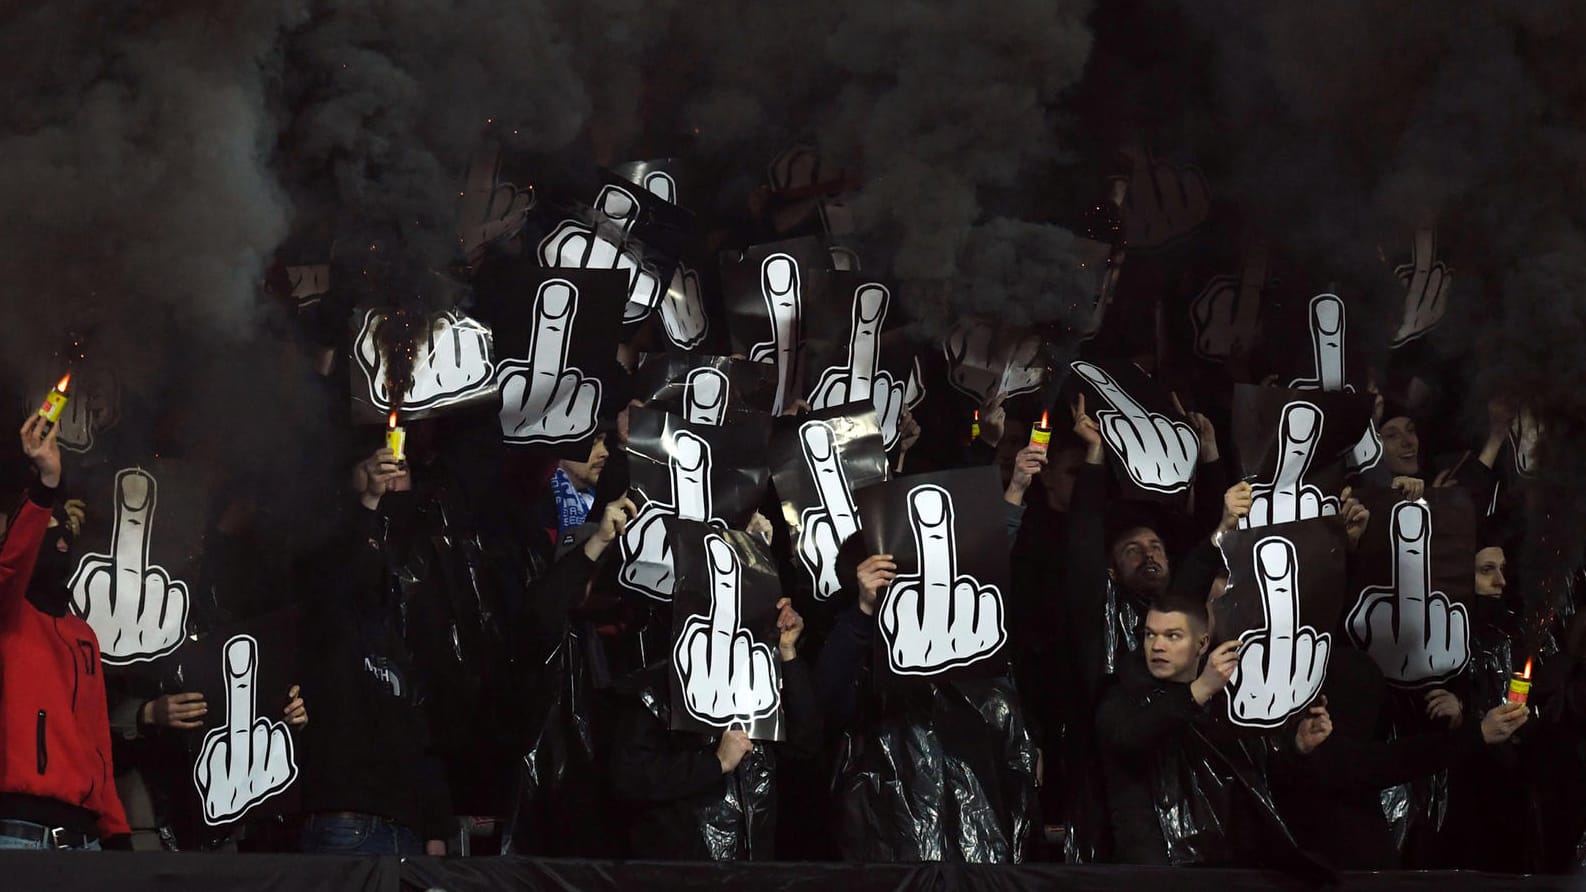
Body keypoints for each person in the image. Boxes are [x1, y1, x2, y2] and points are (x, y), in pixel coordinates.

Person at [1095, 593, 1332, 865]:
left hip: (1226, 870)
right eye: (1150, 635)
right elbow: (1130, 737)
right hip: (1153, 872)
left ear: (1202, 643)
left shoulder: (1228, 706)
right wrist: (1201, 689)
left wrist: (1298, 747)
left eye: (1172, 636)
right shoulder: (1120, 696)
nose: (1157, 646)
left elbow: (1257, 784)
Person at [294, 446, 451, 856]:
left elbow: (424, 728)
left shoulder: (406, 617)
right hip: (347, 822)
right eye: (383, 470)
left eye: (403, 471)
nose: (393, 479)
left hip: (406, 826)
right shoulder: (329, 600)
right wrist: (365, 501)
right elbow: (336, 571)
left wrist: (434, 827)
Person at [608, 596, 820, 860]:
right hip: (684, 871)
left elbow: (805, 742)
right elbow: (630, 777)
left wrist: (788, 653)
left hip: (754, 866)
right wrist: (715, 763)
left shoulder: (758, 678)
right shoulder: (658, 686)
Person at [0, 416, 128, 849]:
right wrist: (45, 484)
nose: (61, 540)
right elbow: (11, 565)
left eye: (65, 530)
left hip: (83, 838)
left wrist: (116, 832)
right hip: (17, 831)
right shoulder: (8, 612)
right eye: (48, 528)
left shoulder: (83, 635)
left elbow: (97, 744)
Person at [547, 434, 609, 547]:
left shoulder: (605, 500)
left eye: (604, 443)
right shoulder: (540, 505)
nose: (604, 453)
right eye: (593, 443)